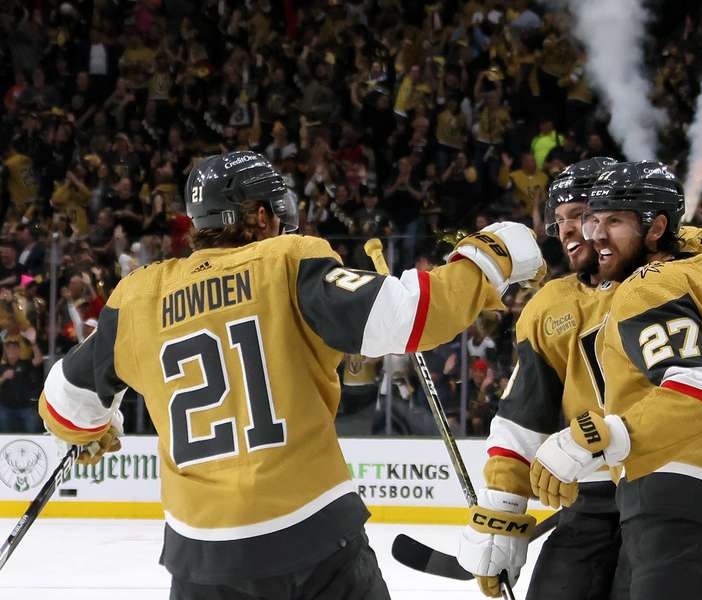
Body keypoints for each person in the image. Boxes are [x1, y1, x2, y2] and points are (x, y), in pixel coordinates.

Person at [38, 150, 545, 599]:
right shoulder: (287, 262)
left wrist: (92, 428)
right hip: (313, 542)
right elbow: (413, 314)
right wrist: (487, 257)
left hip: (200, 558)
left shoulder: (139, 296)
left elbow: (64, 399)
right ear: (260, 217)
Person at [458, 159, 702, 599]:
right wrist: (503, 510)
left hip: (676, 480)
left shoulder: (697, 257)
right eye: (561, 222)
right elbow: (522, 416)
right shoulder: (552, 307)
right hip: (593, 490)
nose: (576, 232)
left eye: (584, 215)